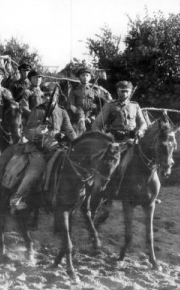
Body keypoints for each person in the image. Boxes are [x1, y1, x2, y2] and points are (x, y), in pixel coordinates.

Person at [9, 82, 76, 211]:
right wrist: (37, 131)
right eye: (45, 95)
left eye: (50, 95)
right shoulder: (36, 110)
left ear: (56, 96)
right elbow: (27, 132)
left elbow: (70, 131)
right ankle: (17, 197)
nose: (47, 98)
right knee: (35, 172)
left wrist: (77, 143)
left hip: (55, 147)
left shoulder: (62, 111)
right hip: (36, 148)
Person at [68, 67, 112, 135]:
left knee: (97, 127)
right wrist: (81, 116)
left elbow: (106, 99)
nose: (85, 77)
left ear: (90, 77)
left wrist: (106, 94)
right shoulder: (74, 90)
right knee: (81, 125)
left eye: (87, 75)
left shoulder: (95, 89)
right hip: (78, 114)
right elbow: (72, 105)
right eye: (83, 75)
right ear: (79, 77)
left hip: (92, 113)